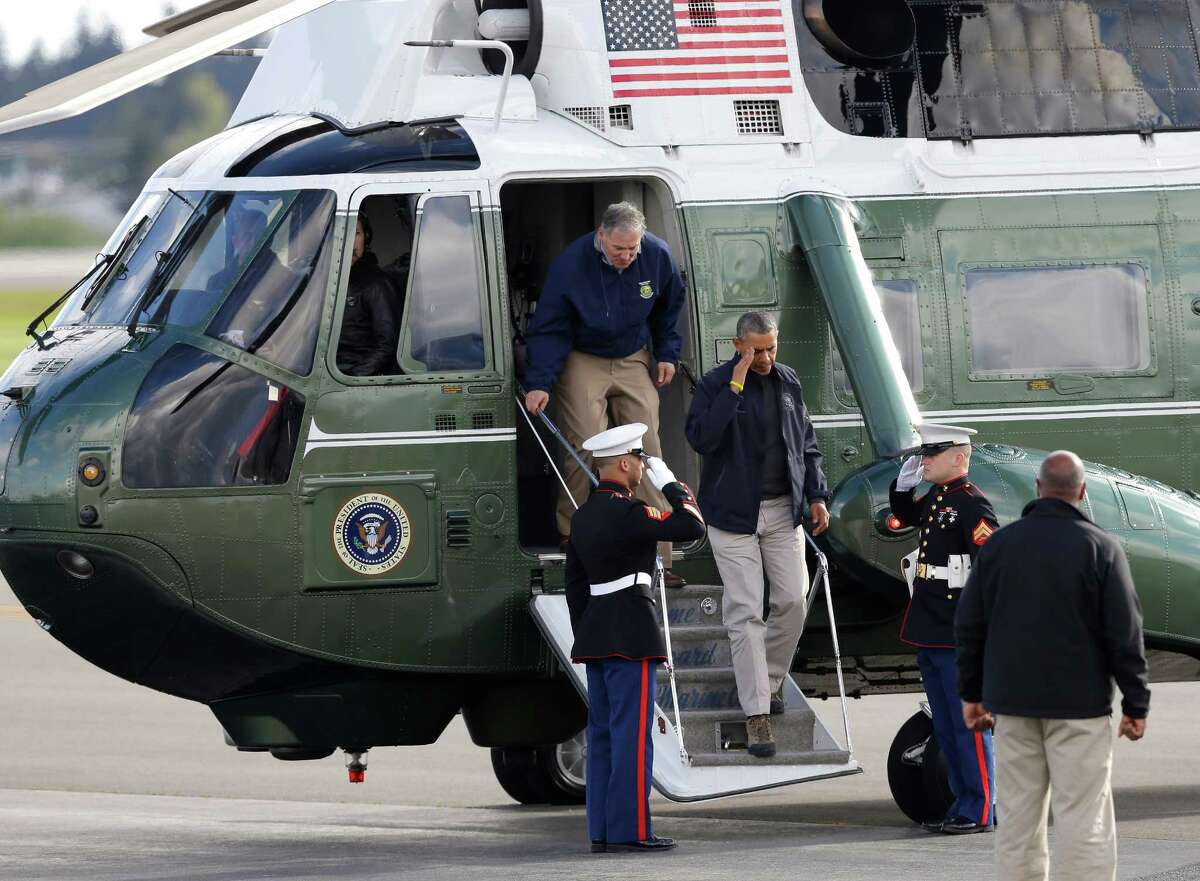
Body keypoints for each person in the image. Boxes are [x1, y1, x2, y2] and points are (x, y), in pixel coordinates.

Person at [956, 450, 1150, 881]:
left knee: (1018, 818)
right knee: (1084, 817)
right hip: (1080, 708)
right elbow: (1125, 634)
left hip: (1013, 704)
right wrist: (1136, 705)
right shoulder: (1101, 547)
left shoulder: (1000, 546)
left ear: (1039, 489)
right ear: (1081, 492)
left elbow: (969, 625)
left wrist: (972, 694)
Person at [684, 311, 830, 758]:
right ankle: (757, 715)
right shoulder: (714, 384)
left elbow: (805, 442)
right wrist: (737, 381)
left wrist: (817, 495)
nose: (766, 356)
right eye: (757, 350)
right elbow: (703, 439)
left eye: (771, 347)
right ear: (738, 345)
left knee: (791, 600)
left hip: (783, 512)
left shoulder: (788, 381)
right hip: (732, 517)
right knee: (745, 611)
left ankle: (766, 683)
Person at [524, 202, 687, 585]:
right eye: (619, 249)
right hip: (583, 355)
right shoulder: (571, 265)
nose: (627, 257)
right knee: (585, 442)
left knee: (647, 449)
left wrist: (666, 353)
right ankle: (575, 532)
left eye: (633, 249)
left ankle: (659, 555)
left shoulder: (657, 256)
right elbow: (551, 327)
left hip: (632, 353)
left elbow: (668, 309)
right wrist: (540, 382)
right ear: (601, 236)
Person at [565, 422, 705, 854]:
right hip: (631, 634)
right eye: (640, 462)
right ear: (624, 463)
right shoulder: (631, 512)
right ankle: (631, 831)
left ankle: (602, 831)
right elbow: (691, 527)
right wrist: (672, 485)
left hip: (595, 635)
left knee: (603, 734)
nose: (643, 470)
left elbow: (574, 586)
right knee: (632, 735)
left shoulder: (583, 515)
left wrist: (588, 631)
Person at [889, 423, 998, 834]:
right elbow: (904, 515)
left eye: (933, 453)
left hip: (957, 632)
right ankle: (961, 802)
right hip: (931, 627)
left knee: (967, 725)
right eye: (924, 453)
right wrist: (901, 489)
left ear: (959, 457)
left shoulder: (972, 505)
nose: (925, 460)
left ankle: (980, 809)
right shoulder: (938, 497)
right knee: (947, 726)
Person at [336, 215, 399, 376]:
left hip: (352, 374)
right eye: (342, 232)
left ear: (366, 238)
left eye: (356, 233)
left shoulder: (377, 284)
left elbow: (387, 346)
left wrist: (351, 378)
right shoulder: (319, 280)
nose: (349, 240)